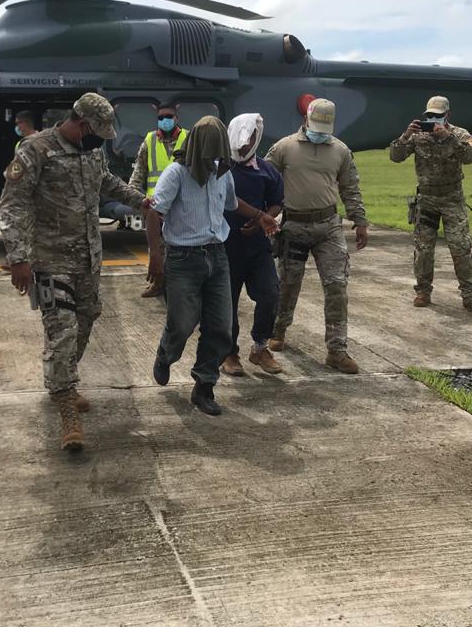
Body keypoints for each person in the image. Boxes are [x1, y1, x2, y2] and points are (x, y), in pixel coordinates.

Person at [0, 93, 150, 451]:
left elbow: (107, 182)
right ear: (83, 124)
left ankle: (63, 379)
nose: (102, 138)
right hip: (51, 260)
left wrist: (139, 200)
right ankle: (67, 409)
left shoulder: (91, 151)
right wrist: (19, 258)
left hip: (88, 259)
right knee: (62, 330)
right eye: (98, 131)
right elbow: (13, 204)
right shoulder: (35, 150)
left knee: (86, 319)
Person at [145, 116, 277, 416]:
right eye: (210, 155)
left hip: (218, 257)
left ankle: (204, 386)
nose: (215, 162)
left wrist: (260, 216)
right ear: (196, 149)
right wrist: (155, 257)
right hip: (182, 259)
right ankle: (166, 354)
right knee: (183, 323)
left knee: (221, 328)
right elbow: (154, 213)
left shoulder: (223, 173)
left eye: (219, 155)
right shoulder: (175, 174)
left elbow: (233, 204)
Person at [266, 98, 368, 374]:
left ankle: (337, 350)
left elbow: (350, 187)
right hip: (293, 227)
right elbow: (265, 179)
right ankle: (278, 330)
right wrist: (267, 217)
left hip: (328, 226)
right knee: (288, 283)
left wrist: (359, 221)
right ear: (305, 121)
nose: (320, 131)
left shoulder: (341, 151)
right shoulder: (284, 148)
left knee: (337, 286)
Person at [389, 95, 472, 311]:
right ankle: (422, 291)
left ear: (447, 115)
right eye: (430, 116)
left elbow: (470, 156)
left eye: (438, 116)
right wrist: (405, 135)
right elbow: (395, 156)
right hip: (427, 200)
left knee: (461, 247)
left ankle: (469, 294)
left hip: (452, 199)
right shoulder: (418, 134)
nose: (433, 120)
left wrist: (448, 138)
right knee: (423, 248)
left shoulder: (460, 134)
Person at [220, 113, 285, 377]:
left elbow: (278, 201)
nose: (244, 146)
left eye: (250, 141)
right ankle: (229, 352)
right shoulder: (221, 169)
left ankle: (260, 347)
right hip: (226, 247)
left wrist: (262, 222)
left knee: (270, 293)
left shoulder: (268, 171)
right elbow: (229, 199)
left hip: (257, 247)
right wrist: (259, 216)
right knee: (227, 303)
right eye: (241, 141)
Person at [130, 103, 189, 298]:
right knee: (156, 248)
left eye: (169, 116)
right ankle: (158, 284)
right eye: (161, 117)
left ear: (176, 118)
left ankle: (182, 285)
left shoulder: (188, 139)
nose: (165, 120)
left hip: (182, 206)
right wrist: (138, 200)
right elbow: (138, 173)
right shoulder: (149, 141)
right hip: (155, 207)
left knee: (182, 248)